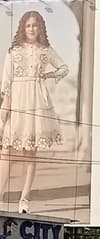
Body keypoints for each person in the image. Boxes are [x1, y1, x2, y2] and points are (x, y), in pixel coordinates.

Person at [0, 10, 68, 214]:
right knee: (6, 154)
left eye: (35, 25)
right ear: (23, 27)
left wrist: (48, 75)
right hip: (17, 102)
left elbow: (64, 68)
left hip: (37, 101)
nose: (31, 29)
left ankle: (24, 200)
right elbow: (6, 83)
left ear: (41, 28)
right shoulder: (14, 52)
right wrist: (4, 114)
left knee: (30, 154)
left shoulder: (45, 50)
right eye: (28, 25)